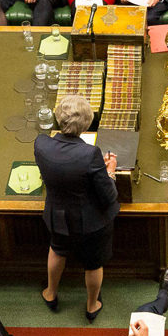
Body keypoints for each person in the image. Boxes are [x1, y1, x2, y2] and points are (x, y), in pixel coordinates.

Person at [36, 94, 118, 323]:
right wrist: (109, 171)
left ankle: (51, 292)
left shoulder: (41, 144)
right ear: (86, 123)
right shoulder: (90, 155)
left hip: (58, 216)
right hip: (91, 222)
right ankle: (92, 305)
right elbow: (109, 195)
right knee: (93, 264)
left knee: (57, 249)